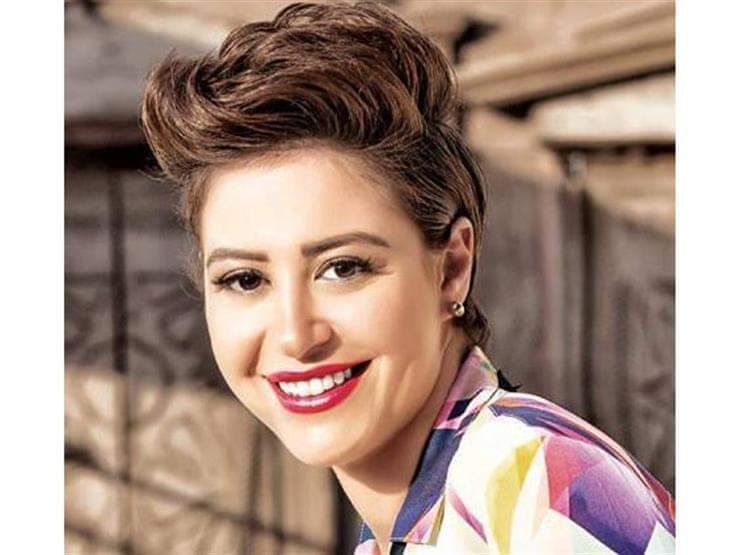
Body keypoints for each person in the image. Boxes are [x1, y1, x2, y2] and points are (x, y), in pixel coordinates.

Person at [140, 2, 675, 553]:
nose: (296, 336)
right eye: (245, 280)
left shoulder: (536, 490)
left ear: (452, 268)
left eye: (343, 268)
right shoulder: (420, 524)